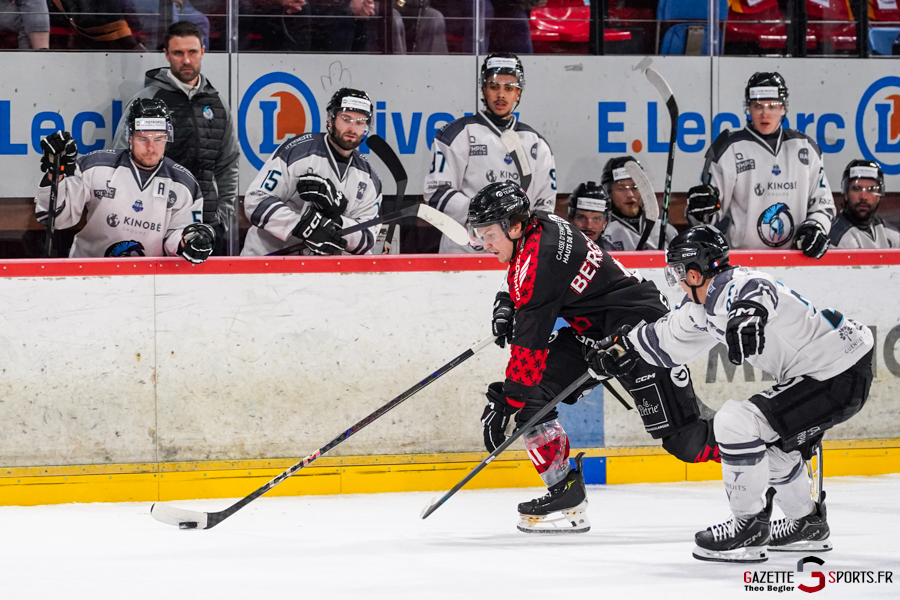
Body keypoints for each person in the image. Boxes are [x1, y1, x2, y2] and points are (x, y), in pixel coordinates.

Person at [592, 225, 873, 562]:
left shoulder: (736, 286)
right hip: (827, 373)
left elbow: (758, 288)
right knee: (770, 452)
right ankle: (808, 524)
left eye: (678, 272)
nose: (677, 281)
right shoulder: (701, 309)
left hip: (838, 369)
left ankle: (748, 526)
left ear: (694, 273)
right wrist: (621, 349)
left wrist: (749, 313)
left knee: (735, 422)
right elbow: (663, 339)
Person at [468, 181, 719, 535]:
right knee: (534, 403)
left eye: (489, 233)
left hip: (639, 332)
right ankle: (565, 493)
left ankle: (768, 446)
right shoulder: (537, 225)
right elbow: (540, 287)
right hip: (596, 332)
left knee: (687, 440)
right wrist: (511, 302)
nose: (484, 243)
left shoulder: (541, 259)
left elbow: (529, 350)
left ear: (513, 225)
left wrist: (506, 401)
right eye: (478, 233)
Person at [34, 99, 215, 263]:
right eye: (143, 138)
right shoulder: (95, 166)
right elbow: (54, 218)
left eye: (158, 139)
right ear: (130, 138)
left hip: (148, 279)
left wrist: (188, 240)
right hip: (87, 272)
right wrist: (55, 173)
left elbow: (175, 238)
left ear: (167, 139)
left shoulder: (183, 185)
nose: (151, 147)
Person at [114, 21, 239, 254]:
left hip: (207, 225)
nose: (187, 60)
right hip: (154, 226)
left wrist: (222, 218)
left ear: (203, 51)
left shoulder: (218, 104)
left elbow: (228, 164)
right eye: (178, 53)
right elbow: (121, 161)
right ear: (166, 55)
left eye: (192, 52)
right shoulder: (147, 102)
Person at [685, 72, 835, 258]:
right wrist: (700, 211)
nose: (765, 113)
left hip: (798, 258)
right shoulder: (728, 149)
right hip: (743, 260)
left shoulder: (805, 147)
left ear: (783, 109)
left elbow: (823, 204)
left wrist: (816, 225)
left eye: (772, 106)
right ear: (748, 109)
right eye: (758, 106)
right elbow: (708, 219)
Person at [425, 53, 557, 253]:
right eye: (494, 87)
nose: (501, 95)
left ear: (518, 94)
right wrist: (487, 215)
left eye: (509, 88)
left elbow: (545, 204)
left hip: (517, 252)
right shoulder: (456, 134)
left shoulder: (537, 144)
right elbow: (436, 192)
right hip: (464, 251)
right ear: (484, 90)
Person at [240, 88, 382, 257]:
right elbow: (255, 201)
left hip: (322, 274)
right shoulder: (298, 151)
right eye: (346, 119)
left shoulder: (369, 178)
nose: (352, 128)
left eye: (360, 122)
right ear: (331, 119)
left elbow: (367, 239)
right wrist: (301, 225)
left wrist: (335, 223)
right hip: (269, 261)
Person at [600, 156, 676, 251]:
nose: (630, 195)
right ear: (609, 193)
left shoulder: (663, 227)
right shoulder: (601, 229)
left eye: (635, 187)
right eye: (621, 189)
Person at [829, 160, 899, 249]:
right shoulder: (834, 238)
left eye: (871, 189)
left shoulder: (889, 233)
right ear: (846, 194)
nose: (863, 197)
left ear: (879, 196)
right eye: (856, 188)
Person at [567, 181, 610, 246]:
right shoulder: (555, 249)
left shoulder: (612, 253)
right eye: (582, 218)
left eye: (597, 219)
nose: (589, 226)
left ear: (604, 223)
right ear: (571, 220)